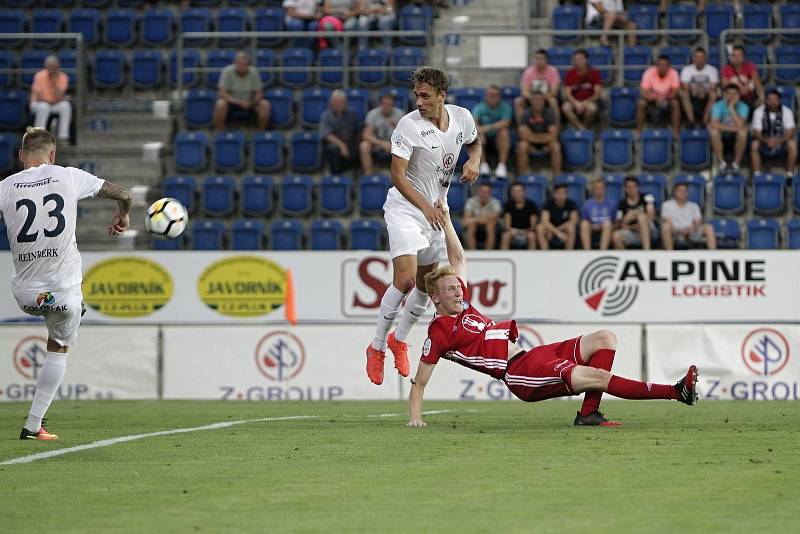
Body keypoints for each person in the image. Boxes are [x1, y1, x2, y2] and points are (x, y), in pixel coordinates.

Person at [407, 205, 698, 428]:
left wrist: (445, 220)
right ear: (435, 298)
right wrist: (415, 418)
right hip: (520, 374)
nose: (459, 292)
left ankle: (588, 414)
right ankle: (675, 392)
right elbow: (420, 382)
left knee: (605, 339)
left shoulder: (464, 306)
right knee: (597, 376)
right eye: (451, 290)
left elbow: (458, 258)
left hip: (532, 355)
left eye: (458, 287)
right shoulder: (440, 332)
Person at [0, 128, 131, 440]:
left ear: (21, 156)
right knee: (58, 347)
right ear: (53, 155)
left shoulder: (5, 187)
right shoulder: (68, 175)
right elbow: (124, 194)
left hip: (26, 295)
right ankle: (33, 425)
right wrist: (122, 215)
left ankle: (35, 427)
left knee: (53, 309)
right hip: (62, 293)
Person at [366, 66, 481, 386]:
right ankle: (376, 347)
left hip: (435, 211)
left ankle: (399, 340)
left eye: (425, 96)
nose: (419, 101)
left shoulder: (461, 118)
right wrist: (425, 207)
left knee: (426, 285)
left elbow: (475, 142)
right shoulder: (408, 126)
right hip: (407, 208)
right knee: (403, 279)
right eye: (416, 95)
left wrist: (475, 160)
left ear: (442, 96)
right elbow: (397, 177)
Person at [213, 52, 271, 131]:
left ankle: (261, 131)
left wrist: (251, 102)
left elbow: (259, 93)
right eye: (238, 63)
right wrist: (239, 102)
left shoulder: (254, 72)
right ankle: (220, 130)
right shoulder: (227, 71)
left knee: (265, 104)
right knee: (220, 104)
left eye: (243, 64)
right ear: (234, 63)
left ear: (248, 65)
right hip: (231, 102)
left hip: (250, 101)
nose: (240, 66)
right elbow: (222, 93)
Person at [750, 89, 798, 176]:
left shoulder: (787, 111)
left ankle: (790, 174)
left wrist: (777, 141)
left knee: (792, 144)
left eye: (775, 99)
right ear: (766, 100)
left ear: (779, 100)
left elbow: (790, 132)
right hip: (764, 140)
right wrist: (766, 140)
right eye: (770, 99)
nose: (772, 102)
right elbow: (757, 133)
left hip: (782, 141)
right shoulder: (758, 111)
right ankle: (757, 174)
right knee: (754, 144)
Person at [516, 92, 562, 174]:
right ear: (531, 102)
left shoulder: (549, 113)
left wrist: (533, 136)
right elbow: (523, 135)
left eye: (540, 100)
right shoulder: (526, 113)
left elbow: (553, 135)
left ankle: (557, 176)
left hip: (546, 144)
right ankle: (522, 176)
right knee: (522, 145)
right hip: (530, 144)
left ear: (544, 102)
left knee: (555, 146)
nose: (538, 102)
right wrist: (543, 137)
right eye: (535, 100)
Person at [472, 84, 512, 179]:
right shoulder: (479, 107)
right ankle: (483, 166)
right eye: (490, 94)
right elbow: (473, 123)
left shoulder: (505, 107)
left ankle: (502, 166)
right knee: (475, 134)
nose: (492, 97)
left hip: (499, 139)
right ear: (486, 96)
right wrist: (481, 132)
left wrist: (487, 128)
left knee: (504, 132)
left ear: (500, 96)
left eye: (495, 95)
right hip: (484, 139)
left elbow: (506, 123)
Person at [661, 183, 716, 250]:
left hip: (691, 231)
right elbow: (667, 221)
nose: (683, 193)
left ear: (688, 193)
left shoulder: (694, 206)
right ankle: (669, 254)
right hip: (674, 231)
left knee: (709, 227)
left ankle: (713, 254)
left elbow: (698, 222)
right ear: (675, 192)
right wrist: (678, 230)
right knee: (665, 226)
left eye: (685, 191)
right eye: (680, 190)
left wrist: (690, 230)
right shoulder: (667, 205)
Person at [359, 92, 404, 175]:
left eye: (389, 104)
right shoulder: (372, 114)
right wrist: (382, 143)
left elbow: (404, 134)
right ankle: (369, 175)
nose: (387, 106)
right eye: (385, 104)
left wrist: (393, 144)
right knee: (364, 146)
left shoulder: (399, 114)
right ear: (381, 104)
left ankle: (401, 176)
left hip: (395, 142)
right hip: (377, 143)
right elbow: (366, 135)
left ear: (393, 105)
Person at [636, 54, 681, 137]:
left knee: (676, 103)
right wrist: (656, 97)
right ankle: (639, 131)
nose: (663, 67)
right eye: (660, 65)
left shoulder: (673, 73)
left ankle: (676, 132)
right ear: (656, 65)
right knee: (641, 103)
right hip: (652, 99)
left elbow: (675, 92)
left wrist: (664, 97)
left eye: (665, 65)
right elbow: (644, 92)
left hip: (667, 98)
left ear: (668, 66)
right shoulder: (649, 72)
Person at [709, 84, 749, 174]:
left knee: (743, 133)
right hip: (722, 134)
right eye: (729, 94)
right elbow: (714, 123)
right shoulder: (718, 106)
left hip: (736, 136)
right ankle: (722, 163)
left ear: (739, 95)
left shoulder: (744, 106)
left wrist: (731, 108)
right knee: (713, 132)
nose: (732, 96)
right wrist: (735, 129)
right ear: (724, 95)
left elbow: (740, 124)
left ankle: (736, 163)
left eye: (735, 94)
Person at [30, 55, 71, 141]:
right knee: (44, 107)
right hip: (38, 103)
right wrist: (55, 100)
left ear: (58, 66)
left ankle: (63, 136)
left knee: (65, 106)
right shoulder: (39, 75)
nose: (51, 68)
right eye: (49, 66)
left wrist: (54, 82)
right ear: (45, 65)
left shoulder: (63, 77)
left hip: (53, 103)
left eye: (53, 66)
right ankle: (39, 136)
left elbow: (59, 96)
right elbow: (39, 97)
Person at [514, 49, 561, 124]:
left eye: (542, 59)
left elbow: (554, 91)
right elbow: (524, 91)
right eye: (537, 59)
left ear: (546, 60)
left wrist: (541, 99)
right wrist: (533, 99)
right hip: (531, 98)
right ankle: (521, 127)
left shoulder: (553, 71)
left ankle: (557, 127)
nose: (539, 61)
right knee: (518, 101)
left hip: (547, 97)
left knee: (553, 101)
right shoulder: (528, 71)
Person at [320, 89, 361, 174]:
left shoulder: (352, 113)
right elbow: (327, 135)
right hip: (335, 144)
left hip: (350, 142)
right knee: (333, 149)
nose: (338, 104)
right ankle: (336, 176)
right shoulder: (326, 115)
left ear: (345, 102)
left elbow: (358, 130)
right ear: (331, 102)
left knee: (361, 146)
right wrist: (342, 145)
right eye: (336, 101)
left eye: (341, 101)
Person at [561, 49, 603, 130]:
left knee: (592, 108)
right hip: (574, 101)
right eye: (575, 59)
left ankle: (584, 127)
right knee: (565, 107)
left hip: (589, 101)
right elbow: (567, 93)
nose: (577, 61)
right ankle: (582, 129)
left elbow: (597, 94)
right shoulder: (569, 73)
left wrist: (585, 102)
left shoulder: (594, 73)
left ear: (586, 60)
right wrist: (576, 103)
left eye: (580, 59)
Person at [612, 176, 657, 250]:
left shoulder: (647, 197)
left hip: (650, 230)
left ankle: (647, 251)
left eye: (633, 186)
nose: (631, 189)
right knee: (616, 236)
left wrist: (637, 214)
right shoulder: (622, 203)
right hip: (632, 232)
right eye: (628, 187)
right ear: (625, 189)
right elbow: (618, 224)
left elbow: (652, 216)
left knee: (641, 217)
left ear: (638, 187)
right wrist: (626, 219)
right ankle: (624, 258)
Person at [679, 47, 719, 128]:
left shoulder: (712, 70)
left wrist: (703, 91)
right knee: (684, 93)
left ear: (705, 58)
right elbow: (685, 85)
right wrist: (695, 90)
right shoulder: (686, 69)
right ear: (693, 58)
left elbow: (713, 86)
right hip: (691, 92)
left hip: (706, 93)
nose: (699, 60)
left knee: (713, 94)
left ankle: (705, 121)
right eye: (696, 57)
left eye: (701, 57)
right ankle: (691, 121)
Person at [721, 45, 764, 112]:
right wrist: (739, 88)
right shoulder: (726, 69)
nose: (737, 58)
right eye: (734, 55)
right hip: (733, 97)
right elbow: (724, 84)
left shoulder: (750, 66)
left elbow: (756, 80)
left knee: (758, 103)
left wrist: (761, 97)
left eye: (739, 55)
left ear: (743, 57)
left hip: (748, 96)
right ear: (731, 57)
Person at [536, 183, 578, 250]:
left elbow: (573, 220)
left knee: (571, 228)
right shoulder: (548, 203)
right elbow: (545, 221)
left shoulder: (571, 204)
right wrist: (557, 233)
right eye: (558, 193)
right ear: (554, 194)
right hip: (550, 228)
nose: (560, 195)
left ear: (567, 194)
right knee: (540, 227)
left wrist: (557, 231)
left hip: (563, 229)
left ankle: (568, 253)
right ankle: (544, 253)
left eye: (563, 193)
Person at [579, 178, 615, 250]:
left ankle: (602, 251)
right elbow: (584, 220)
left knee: (607, 224)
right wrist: (593, 226)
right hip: (592, 227)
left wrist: (603, 225)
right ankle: (587, 252)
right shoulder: (587, 204)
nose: (599, 190)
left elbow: (615, 222)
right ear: (593, 189)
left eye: (601, 187)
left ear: (605, 189)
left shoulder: (612, 203)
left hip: (607, 228)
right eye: (596, 187)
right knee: (584, 224)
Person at [500, 182, 538, 250]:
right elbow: (507, 225)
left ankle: (532, 259)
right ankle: (504, 258)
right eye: (514, 191)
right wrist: (513, 231)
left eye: (519, 191)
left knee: (531, 236)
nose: (517, 193)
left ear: (524, 192)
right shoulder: (508, 205)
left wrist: (522, 232)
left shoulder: (531, 205)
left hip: (526, 232)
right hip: (512, 232)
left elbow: (533, 226)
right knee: (505, 236)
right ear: (511, 193)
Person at [463, 183, 501, 250]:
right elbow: (466, 219)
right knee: (471, 225)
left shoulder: (495, 202)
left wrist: (474, 219)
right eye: (482, 191)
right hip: (474, 226)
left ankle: (488, 252)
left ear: (490, 193)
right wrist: (484, 218)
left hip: (489, 226)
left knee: (491, 225)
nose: (484, 194)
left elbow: (494, 219)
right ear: (478, 192)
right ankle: (472, 251)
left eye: (487, 192)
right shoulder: (471, 201)